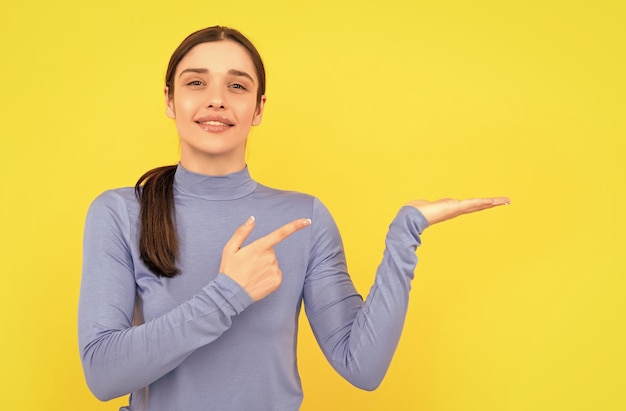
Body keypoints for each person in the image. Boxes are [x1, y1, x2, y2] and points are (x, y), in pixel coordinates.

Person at [78, 26, 510, 411]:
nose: (216, 99)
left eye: (237, 86)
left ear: (259, 108)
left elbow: (362, 367)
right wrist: (228, 294)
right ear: (170, 100)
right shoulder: (120, 213)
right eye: (196, 82)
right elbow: (103, 376)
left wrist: (406, 232)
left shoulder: (304, 219)